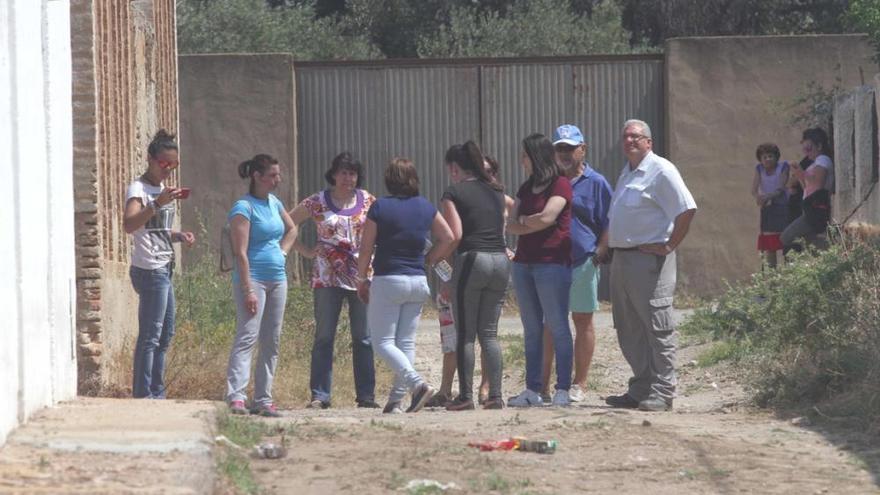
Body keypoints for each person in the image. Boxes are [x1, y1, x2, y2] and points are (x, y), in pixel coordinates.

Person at [601, 119, 697, 412]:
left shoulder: (661, 170)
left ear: (649, 142)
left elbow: (686, 209)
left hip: (650, 260)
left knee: (657, 326)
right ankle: (642, 387)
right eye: (625, 137)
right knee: (629, 327)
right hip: (623, 259)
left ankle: (663, 391)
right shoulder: (627, 173)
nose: (629, 141)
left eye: (636, 137)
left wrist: (669, 245)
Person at [356, 158, 455, 414]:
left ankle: (417, 384)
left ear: (389, 180)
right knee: (406, 343)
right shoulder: (425, 206)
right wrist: (430, 258)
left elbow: (366, 247)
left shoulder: (380, 207)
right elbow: (449, 237)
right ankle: (396, 402)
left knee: (382, 343)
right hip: (418, 281)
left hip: (389, 279)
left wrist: (360, 278)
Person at [289, 152, 378, 409]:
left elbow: (382, 231)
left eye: (352, 173)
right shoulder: (318, 201)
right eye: (342, 172)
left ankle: (366, 395)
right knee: (324, 336)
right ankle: (320, 394)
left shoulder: (369, 201)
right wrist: (305, 251)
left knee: (363, 337)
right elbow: (286, 223)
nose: (347, 178)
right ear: (333, 174)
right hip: (327, 278)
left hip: (361, 278)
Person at [428, 153, 514, 409]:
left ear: (458, 168)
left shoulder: (454, 193)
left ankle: (465, 397)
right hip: (500, 261)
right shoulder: (497, 193)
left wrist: (431, 257)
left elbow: (454, 236)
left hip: (473, 259)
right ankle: (495, 395)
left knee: (465, 335)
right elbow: (514, 212)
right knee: (489, 334)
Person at [539, 125, 612, 403]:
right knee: (550, 323)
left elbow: (609, 220)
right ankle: (542, 387)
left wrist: (599, 252)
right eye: (560, 148)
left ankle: (579, 384)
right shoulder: (548, 181)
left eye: (570, 148)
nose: (565, 153)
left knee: (582, 321)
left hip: (583, 261)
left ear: (583, 149)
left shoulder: (597, 182)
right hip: (551, 263)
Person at [122, 130, 195, 399]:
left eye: (173, 165)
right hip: (149, 269)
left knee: (166, 334)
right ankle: (144, 394)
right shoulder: (138, 189)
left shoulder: (164, 191)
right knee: (151, 335)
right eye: (164, 164)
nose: (168, 170)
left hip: (165, 267)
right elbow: (130, 225)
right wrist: (156, 203)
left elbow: (157, 231)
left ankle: (157, 391)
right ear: (151, 160)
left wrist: (179, 236)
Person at [225, 155, 298, 417]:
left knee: (272, 340)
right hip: (253, 278)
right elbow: (240, 253)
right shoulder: (243, 208)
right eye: (273, 175)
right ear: (257, 176)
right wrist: (247, 290)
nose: (278, 180)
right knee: (248, 337)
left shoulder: (275, 202)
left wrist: (283, 252)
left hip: (278, 279)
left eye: (278, 175)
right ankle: (236, 397)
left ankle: (263, 399)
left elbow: (292, 230)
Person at [506, 133, 574, 407]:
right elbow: (510, 224)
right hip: (524, 264)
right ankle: (533, 389)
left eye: (524, 155)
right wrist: (527, 222)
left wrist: (526, 221)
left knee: (557, 326)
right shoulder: (526, 188)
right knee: (531, 329)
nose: (521, 160)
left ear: (535, 156)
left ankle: (563, 389)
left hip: (552, 263)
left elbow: (548, 218)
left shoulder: (561, 184)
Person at [781, 128, 834, 251]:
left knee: (786, 237)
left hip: (816, 209)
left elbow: (818, 184)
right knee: (807, 241)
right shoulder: (816, 162)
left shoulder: (822, 159)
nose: (806, 153)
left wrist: (801, 172)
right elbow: (807, 188)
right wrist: (799, 173)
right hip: (810, 207)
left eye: (808, 149)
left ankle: (834, 247)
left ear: (819, 145)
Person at [750, 143, 789, 268]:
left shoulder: (783, 167)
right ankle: (773, 279)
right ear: (761, 159)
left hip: (782, 208)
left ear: (776, 157)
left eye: (770, 156)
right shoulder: (759, 169)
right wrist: (758, 198)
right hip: (767, 209)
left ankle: (790, 274)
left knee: (786, 242)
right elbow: (754, 189)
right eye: (765, 157)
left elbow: (781, 188)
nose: (768, 159)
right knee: (770, 247)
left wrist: (767, 197)